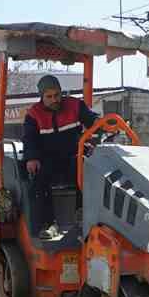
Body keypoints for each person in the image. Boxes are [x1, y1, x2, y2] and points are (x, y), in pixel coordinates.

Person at [21, 74, 97, 239]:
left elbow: (93, 120)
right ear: (41, 97)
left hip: (73, 156)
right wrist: (32, 158)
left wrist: (103, 124)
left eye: (57, 95)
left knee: (88, 170)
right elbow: (29, 139)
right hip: (48, 159)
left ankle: (82, 214)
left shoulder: (75, 105)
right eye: (49, 97)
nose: (54, 100)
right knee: (38, 182)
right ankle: (48, 224)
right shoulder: (34, 114)